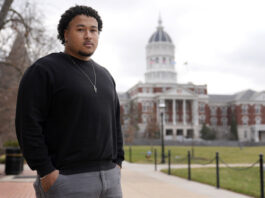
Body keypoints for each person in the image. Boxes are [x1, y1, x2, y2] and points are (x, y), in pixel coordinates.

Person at [15, 5, 124, 198]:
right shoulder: (44, 70)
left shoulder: (105, 75)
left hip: (110, 178)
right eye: (81, 29)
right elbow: (28, 124)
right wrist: (46, 171)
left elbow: (115, 122)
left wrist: (118, 162)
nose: (88, 35)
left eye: (94, 30)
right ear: (66, 34)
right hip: (67, 179)